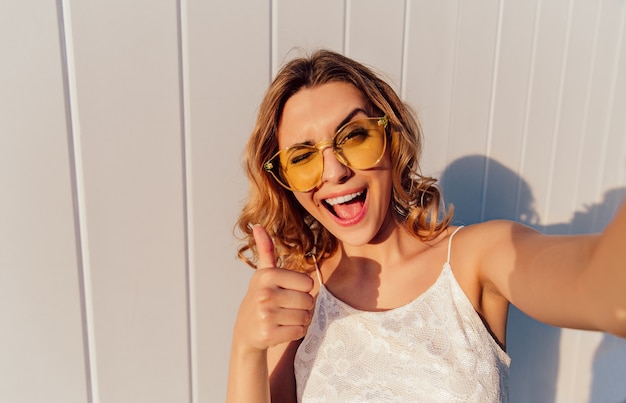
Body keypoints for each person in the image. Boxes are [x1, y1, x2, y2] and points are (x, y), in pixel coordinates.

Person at [226, 49, 626, 402]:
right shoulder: (297, 297)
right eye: (302, 157)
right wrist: (246, 347)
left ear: (392, 139)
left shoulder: (476, 259)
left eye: (354, 136)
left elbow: (605, 291)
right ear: (284, 180)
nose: (334, 171)